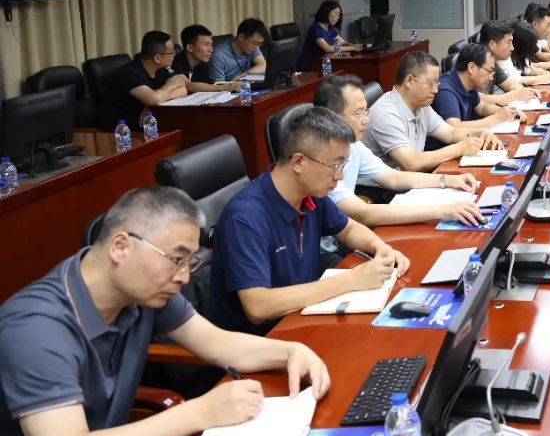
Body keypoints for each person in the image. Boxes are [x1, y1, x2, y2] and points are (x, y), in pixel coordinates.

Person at [0, 186, 330, 436]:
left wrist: (291, 351)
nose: (184, 277)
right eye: (176, 260)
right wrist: (200, 411)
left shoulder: (143, 292)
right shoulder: (36, 330)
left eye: (189, 263)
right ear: (120, 247)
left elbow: (218, 344)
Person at [208, 107, 411, 335]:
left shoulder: (310, 193)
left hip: (303, 319)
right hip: (261, 341)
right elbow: (258, 306)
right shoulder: (244, 218)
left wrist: (380, 247)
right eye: (334, 166)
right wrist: (352, 280)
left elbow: (348, 228)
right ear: (298, 162)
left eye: (343, 165)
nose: (340, 176)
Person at [312, 75, 485, 226]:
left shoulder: (354, 145)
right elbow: (364, 214)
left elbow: (394, 178)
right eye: (358, 114)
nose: (366, 120)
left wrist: (447, 180)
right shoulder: (318, 161)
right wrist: (442, 210)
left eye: (366, 111)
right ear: (331, 117)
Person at [363, 51, 502, 172]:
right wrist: (458, 149)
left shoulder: (421, 105)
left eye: (437, 83)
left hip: (410, 179)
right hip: (383, 190)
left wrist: (480, 132)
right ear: (409, 80)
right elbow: (410, 163)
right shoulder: (387, 114)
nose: (435, 90)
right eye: (431, 83)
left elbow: (450, 133)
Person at [426, 44, 523, 150]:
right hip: (444, 152)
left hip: (463, 146)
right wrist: (496, 118)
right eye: (489, 71)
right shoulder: (445, 91)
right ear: (471, 68)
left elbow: (482, 108)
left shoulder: (469, 84)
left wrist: (505, 112)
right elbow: (454, 127)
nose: (491, 78)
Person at [105, 30, 189, 128]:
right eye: (171, 52)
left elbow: (183, 89)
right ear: (157, 58)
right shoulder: (128, 74)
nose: (174, 54)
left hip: (148, 121)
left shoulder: (161, 69)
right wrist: (168, 87)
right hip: (121, 130)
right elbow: (154, 99)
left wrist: (153, 102)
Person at [478, 20, 547, 95]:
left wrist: (528, 91)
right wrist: (513, 96)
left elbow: (509, 84)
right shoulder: (477, 65)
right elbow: (482, 99)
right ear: (492, 44)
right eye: (509, 43)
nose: (512, 48)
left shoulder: (492, 62)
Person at [297, 0, 354, 71]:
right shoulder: (315, 28)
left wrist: (351, 45)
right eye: (336, 13)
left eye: (339, 15)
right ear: (327, 12)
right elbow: (327, 48)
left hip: (323, 64)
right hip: (308, 67)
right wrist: (351, 48)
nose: (338, 17)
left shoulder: (330, 28)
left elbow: (342, 42)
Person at [171, 24, 220, 92]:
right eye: (206, 45)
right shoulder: (174, 64)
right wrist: (225, 87)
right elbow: (188, 87)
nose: (211, 50)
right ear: (190, 48)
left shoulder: (202, 64)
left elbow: (208, 86)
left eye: (211, 45)